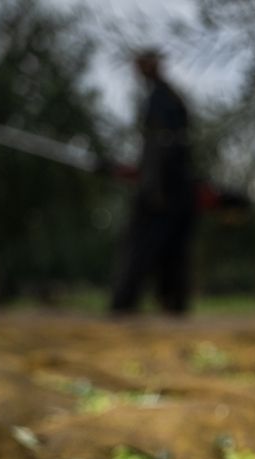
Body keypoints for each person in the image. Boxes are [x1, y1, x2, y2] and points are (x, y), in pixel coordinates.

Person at [111, 49, 195, 315]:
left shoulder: (162, 100)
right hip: (170, 185)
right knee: (170, 250)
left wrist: (152, 185)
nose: (138, 70)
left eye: (142, 64)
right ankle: (171, 305)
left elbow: (161, 145)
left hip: (163, 189)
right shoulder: (165, 97)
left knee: (143, 247)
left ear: (153, 65)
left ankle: (125, 305)